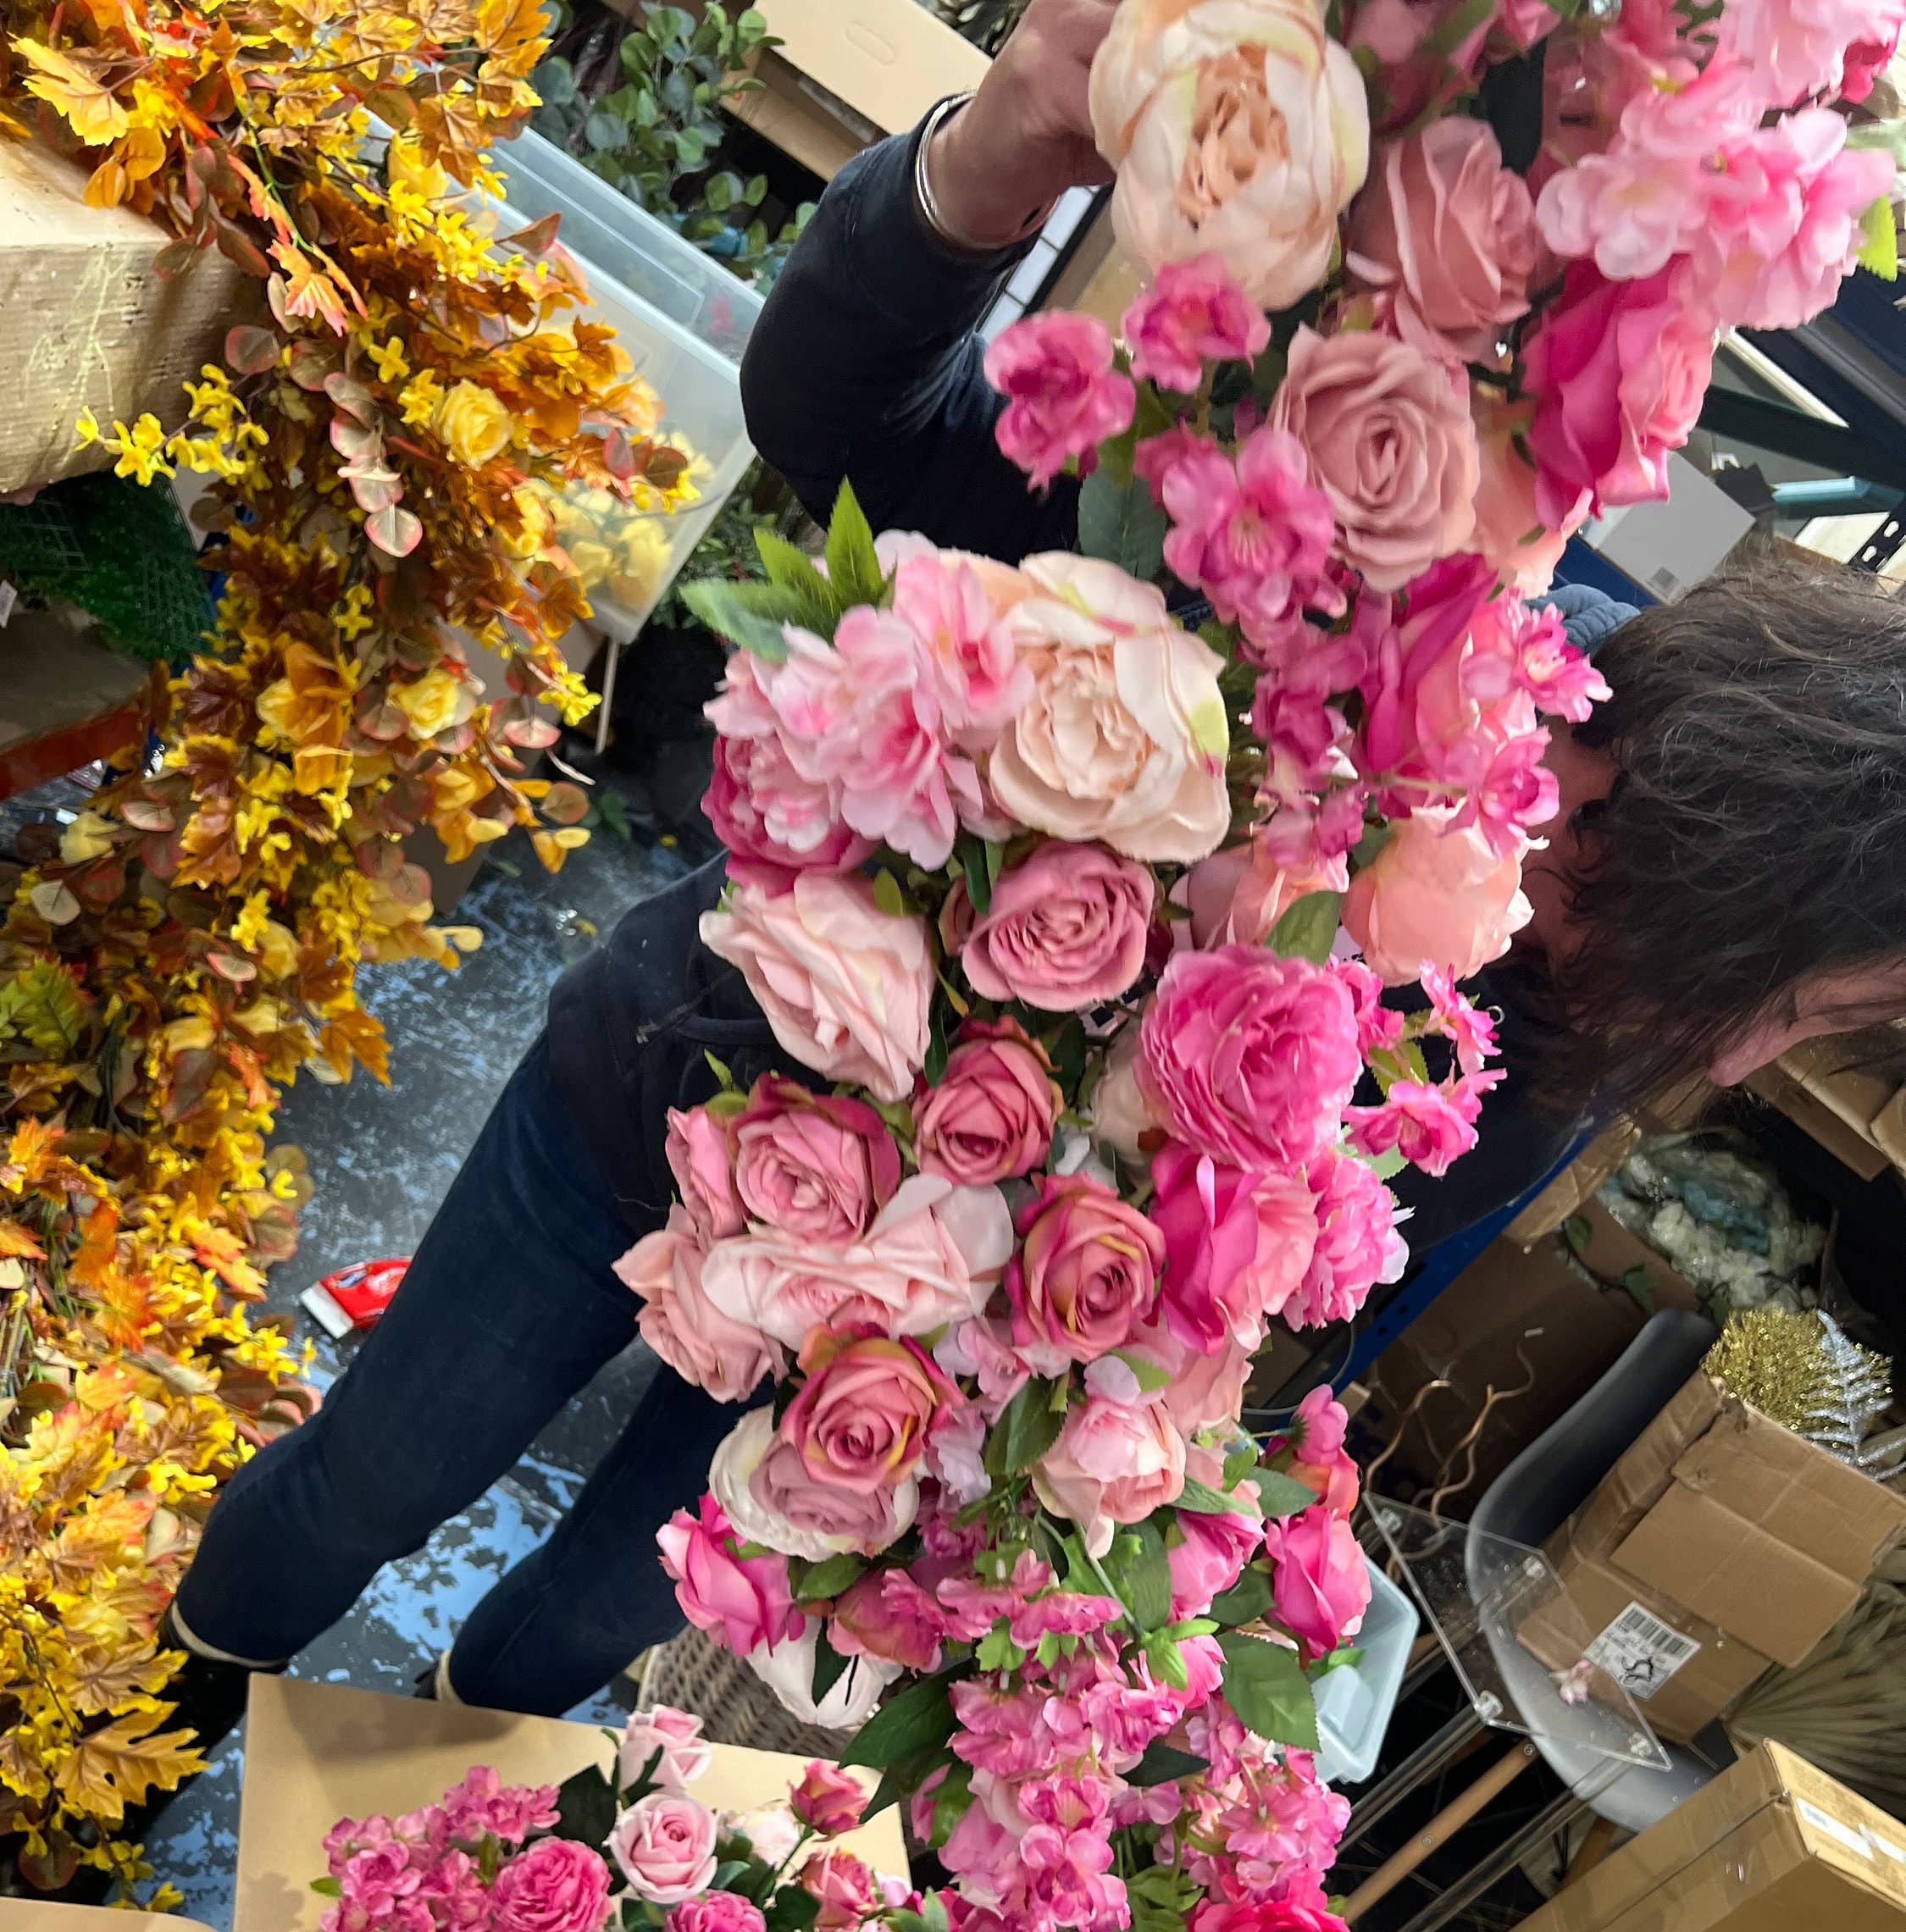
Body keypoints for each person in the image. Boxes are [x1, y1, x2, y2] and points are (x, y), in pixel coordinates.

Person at [152, 0, 1906, 1773]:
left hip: (882, 1358)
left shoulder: (1544, 1047)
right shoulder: (1327, 577)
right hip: (663, 1092)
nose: (1748, 1062)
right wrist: (981, 164)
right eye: (1794, 993)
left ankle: (352, 1880)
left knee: (593, 1627)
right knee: (368, 1476)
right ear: (1724, 816)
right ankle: (126, 1770)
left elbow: (1297, 1306)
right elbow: (845, 430)